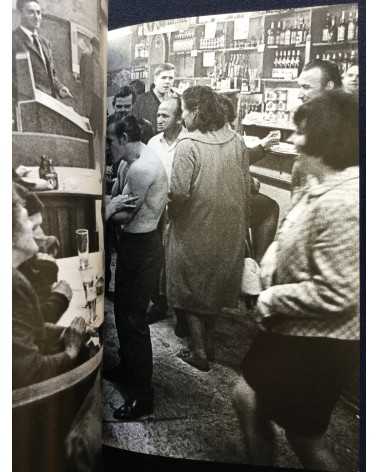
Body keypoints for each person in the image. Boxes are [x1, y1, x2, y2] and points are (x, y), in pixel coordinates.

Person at [232, 90, 359, 471]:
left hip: (320, 341)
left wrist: (268, 299)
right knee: (247, 398)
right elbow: (292, 235)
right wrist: (263, 269)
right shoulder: (323, 186)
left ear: (327, 136)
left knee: (304, 438)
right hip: (296, 331)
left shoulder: (345, 202)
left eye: (301, 132)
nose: (292, 141)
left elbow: (340, 292)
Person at [166, 86, 250, 372]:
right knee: (214, 284)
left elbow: (178, 193)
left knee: (189, 283)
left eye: (183, 111)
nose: (181, 118)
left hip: (195, 224)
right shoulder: (236, 141)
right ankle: (211, 343)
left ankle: (199, 350)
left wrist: (171, 216)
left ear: (196, 112)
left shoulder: (188, 145)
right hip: (230, 226)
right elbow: (245, 184)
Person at [104, 116, 168, 421]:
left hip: (143, 248)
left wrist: (107, 206)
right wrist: (114, 200)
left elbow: (121, 218)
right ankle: (128, 368)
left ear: (125, 138)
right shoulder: (130, 162)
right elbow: (120, 200)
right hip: (133, 246)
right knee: (121, 312)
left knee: (134, 320)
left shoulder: (142, 168)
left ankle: (143, 396)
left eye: (110, 141)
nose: (108, 147)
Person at [12, 185, 86, 389]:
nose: (40, 234)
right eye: (28, 221)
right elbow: (31, 372)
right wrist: (71, 350)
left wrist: (56, 332)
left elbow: (19, 331)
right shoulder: (13, 283)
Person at [146, 97, 187, 324]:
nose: (158, 119)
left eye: (165, 116)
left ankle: (182, 311)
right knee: (157, 257)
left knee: (179, 260)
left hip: (181, 209)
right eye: (158, 114)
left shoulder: (189, 143)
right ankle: (159, 302)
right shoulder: (153, 143)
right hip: (157, 208)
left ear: (179, 118)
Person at [13, 0, 72, 100]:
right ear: (20, 13)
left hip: (49, 102)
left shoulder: (45, 43)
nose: (36, 17)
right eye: (31, 12)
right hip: (28, 102)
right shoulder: (12, 40)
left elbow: (51, 74)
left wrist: (59, 87)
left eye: (38, 13)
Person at [133, 63, 176, 134]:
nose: (167, 81)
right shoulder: (141, 100)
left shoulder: (176, 101)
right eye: (163, 78)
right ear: (155, 79)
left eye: (171, 78)